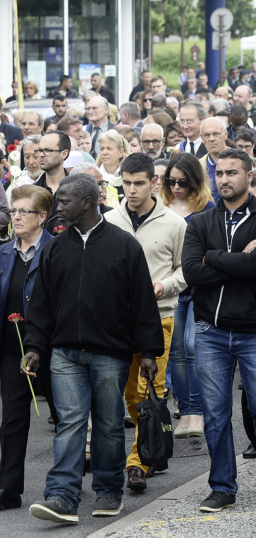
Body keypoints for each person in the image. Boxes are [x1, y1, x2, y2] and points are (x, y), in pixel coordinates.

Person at [24, 174, 164, 523]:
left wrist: (149, 351)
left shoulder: (124, 245)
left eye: (65, 201)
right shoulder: (55, 247)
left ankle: (108, 491)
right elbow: (41, 304)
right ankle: (61, 496)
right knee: (70, 423)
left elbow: (142, 302)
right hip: (64, 353)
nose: (58, 207)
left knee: (108, 425)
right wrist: (35, 346)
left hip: (110, 353)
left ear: (87, 202)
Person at [103, 153, 186, 490]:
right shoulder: (108, 220)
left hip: (160, 317)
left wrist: (165, 285)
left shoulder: (174, 223)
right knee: (127, 396)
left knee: (148, 391)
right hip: (117, 322)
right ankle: (151, 447)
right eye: (127, 183)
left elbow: (186, 268)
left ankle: (137, 462)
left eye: (139, 183)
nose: (132, 189)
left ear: (153, 182)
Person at [182, 148, 256, 513]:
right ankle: (223, 487)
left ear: (249, 174)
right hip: (209, 330)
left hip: (253, 331)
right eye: (220, 173)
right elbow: (192, 273)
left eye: (232, 172)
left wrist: (213, 257)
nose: (224, 178)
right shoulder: (200, 222)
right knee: (215, 414)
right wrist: (240, 261)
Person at [0, 185, 56, 511]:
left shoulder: (55, 250)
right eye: (14, 211)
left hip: (53, 350)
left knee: (66, 418)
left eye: (25, 211)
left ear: (42, 216)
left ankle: (64, 487)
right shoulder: (6, 251)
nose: (17, 217)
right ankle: (9, 489)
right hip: (12, 349)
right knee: (12, 419)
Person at [160, 153, 214, 442]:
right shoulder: (162, 207)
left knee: (194, 347)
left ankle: (200, 411)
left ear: (195, 181)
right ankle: (187, 409)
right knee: (177, 352)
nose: (177, 187)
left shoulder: (207, 207)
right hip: (173, 288)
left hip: (201, 287)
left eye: (183, 182)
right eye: (171, 181)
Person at [35, 131, 70, 232]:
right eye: (40, 150)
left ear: (64, 154)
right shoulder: (32, 191)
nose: (41, 155)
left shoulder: (76, 191)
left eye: (47, 150)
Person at [198, 117, 228, 201]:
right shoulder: (198, 166)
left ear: (225, 134)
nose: (211, 139)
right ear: (201, 138)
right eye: (207, 135)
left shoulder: (241, 160)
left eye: (216, 134)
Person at [97, 130, 130, 198]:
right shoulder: (95, 177)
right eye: (102, 149)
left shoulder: (131, 175)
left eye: (109, 149)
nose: (104, 152)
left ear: (121, 152)